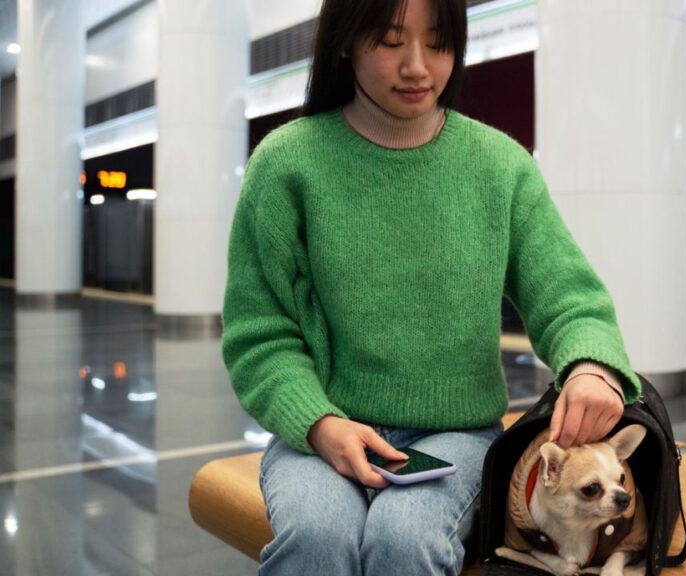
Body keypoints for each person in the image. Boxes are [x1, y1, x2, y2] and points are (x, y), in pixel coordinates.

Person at [221, 0, 642, 573]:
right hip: (322, 429)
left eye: (438, 43)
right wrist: (319, 424)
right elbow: (260, 332)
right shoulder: (287, 164)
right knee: (318, 537)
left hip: (456, 436)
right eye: (391, 41)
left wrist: (592, 366)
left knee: (405, 540)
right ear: (346, 41)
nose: (418, 66)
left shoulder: (499, 166)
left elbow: (568, 297)